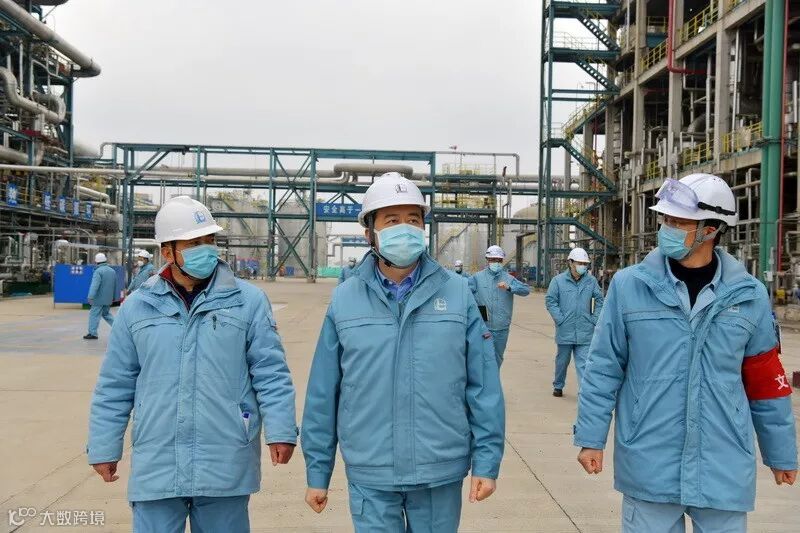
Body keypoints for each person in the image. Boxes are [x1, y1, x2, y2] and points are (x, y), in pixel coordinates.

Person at [574, 174, 797, 533]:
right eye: (666, 219)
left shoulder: (748, 295)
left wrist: (781, 453)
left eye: (679, 222)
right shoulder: (630, 286)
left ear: (711, 229)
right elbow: (603, 367)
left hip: (722, 463)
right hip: (649, 459)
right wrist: (590, 438)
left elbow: (767, 383)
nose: (667, 229)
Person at [302, 173, 505, 533]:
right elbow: (323, 392)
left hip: (438, 468)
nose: (405, 229)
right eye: (392, 220)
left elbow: (484, 386)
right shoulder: (345, 300)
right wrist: (318, 472)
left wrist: (487, 463)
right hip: (371, 470)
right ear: (370, 232)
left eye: (413, 220)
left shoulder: (458, 293)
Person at [87, 196, 298, 533]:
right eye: (195, 243)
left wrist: (282, 431)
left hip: (225, 458)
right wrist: (103, 446)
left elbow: (270, 373)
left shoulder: (248, 302)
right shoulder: (137, 307)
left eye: (210, 240)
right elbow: (116, 384)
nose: (207, 250)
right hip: (157, 462)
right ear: (167, 252)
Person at [544, 247, 604, 397]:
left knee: (584, 363)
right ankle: (558, 385)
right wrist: (560, 319)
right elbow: (551, 301)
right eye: (580, 263)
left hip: (585, 329)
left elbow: (600, 300)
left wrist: (594, 319)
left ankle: (584, 391)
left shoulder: (591, 281)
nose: (583, 266)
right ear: (570, 263)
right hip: (565, 329)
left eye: (585, 264)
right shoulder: (558, 281)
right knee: (562, 361)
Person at [469, 245, 530, 366]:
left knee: (497, 358)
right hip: (483, 327)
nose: (496, 262)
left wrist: (510, 287)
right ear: (487, 260)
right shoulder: (477, 278)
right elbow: (464, 292)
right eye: (493, 260)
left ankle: (494, 378)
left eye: (499, 260)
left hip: (501, 327)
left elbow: (526, 290)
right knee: (481, 358)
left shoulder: (509, 278)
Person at [83, 252, 116, 340]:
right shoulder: (112, 271)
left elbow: (95, 285)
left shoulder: (98, 271)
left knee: (94, 315)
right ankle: (119, 328)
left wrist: (90, 296)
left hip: (98, 299)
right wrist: (113, 297)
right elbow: (114, 285)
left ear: (96, 261)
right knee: (106, 314)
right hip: (108, 298)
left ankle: (92, 333)